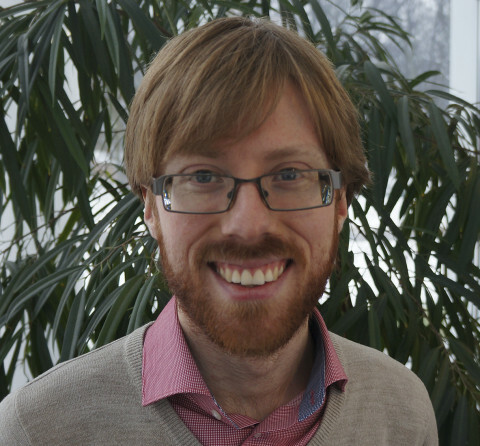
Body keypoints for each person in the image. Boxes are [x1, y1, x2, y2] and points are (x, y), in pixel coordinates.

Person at [0, 16, 438, 445]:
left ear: (340, 201)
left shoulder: (402, 416)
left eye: (289, 174)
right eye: (203, 177)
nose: (248, 226)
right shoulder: (38, 430)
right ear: (151, 207)